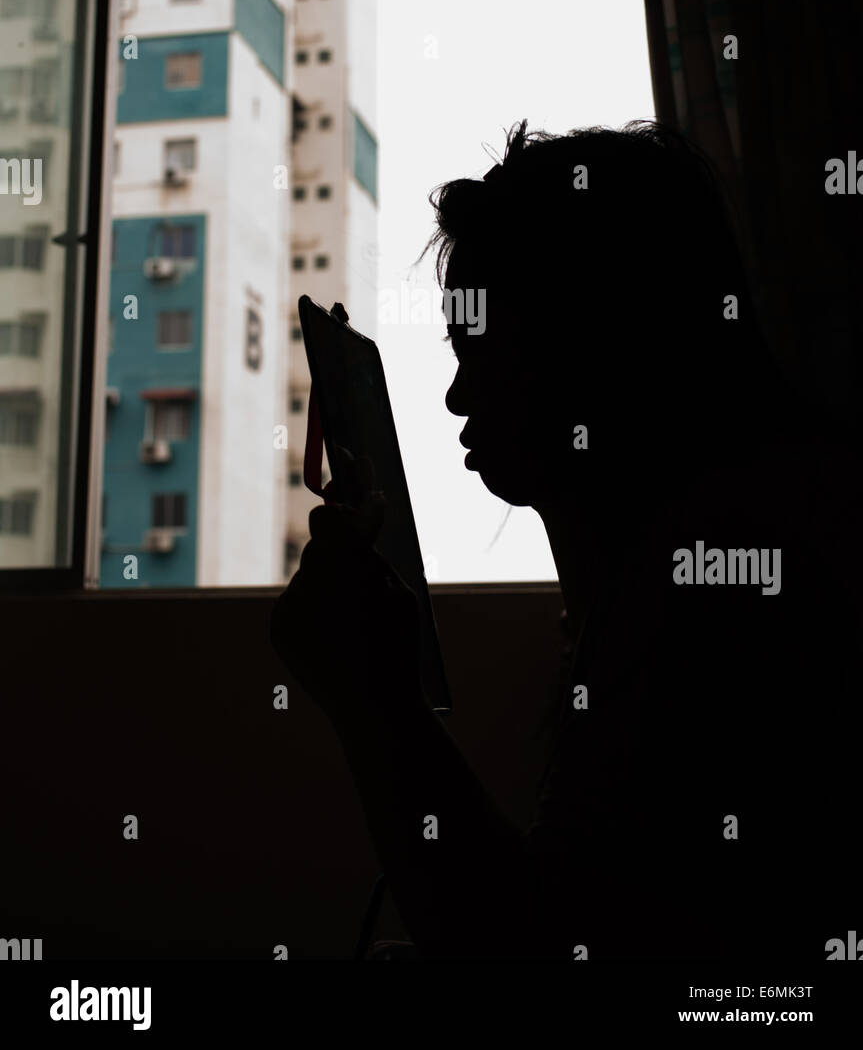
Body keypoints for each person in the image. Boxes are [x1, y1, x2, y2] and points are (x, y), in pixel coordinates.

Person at [271, 120, 860, 960]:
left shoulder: (718, 594)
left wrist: (375, 702)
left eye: (481, 351)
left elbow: (543, 960)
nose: (453, 400)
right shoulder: (728, 533)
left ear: (598, 339)